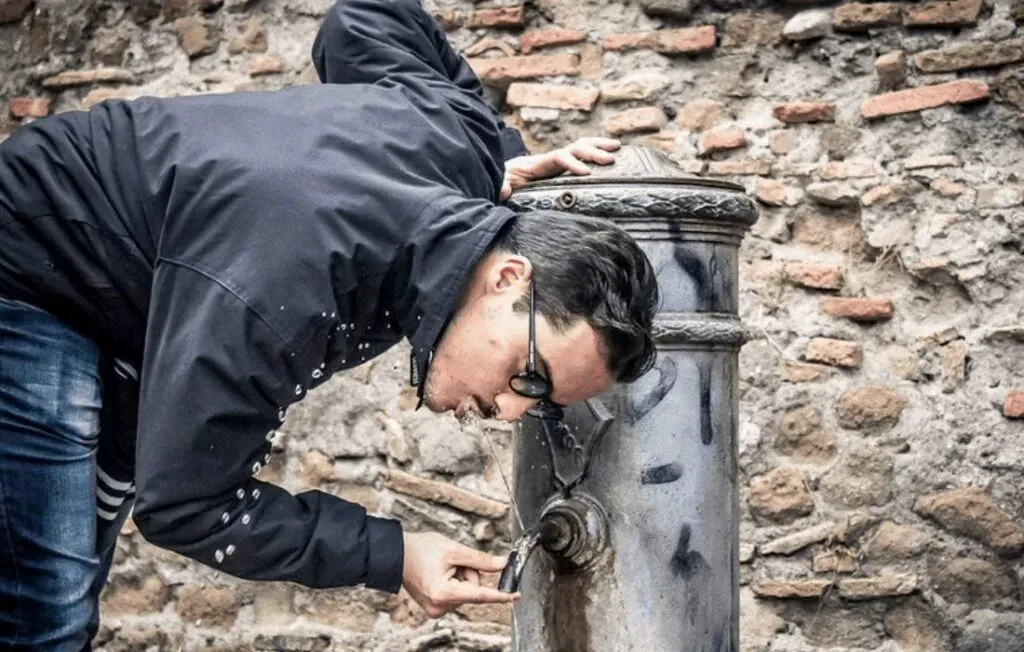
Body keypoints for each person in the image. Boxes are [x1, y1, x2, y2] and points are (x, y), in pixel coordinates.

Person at [0, 0, 659, 647]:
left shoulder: (459, 143)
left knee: (57, 585)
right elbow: (188, 507)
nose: (513, 412)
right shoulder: (283, 290)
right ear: (509, 276)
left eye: (538, 405)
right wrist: (391, 554)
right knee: (44, 617)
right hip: (30, 267)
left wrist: (494, 161)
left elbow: (369, 16)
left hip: (135, 304)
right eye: (529, 377)